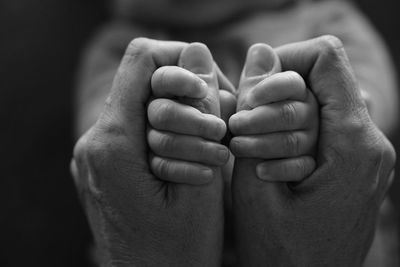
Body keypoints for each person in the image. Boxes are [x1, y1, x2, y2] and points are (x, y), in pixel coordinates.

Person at [71, 0, 398, 265]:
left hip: (332, 236)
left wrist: (318, 126)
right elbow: (104, 146)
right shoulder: (120, 44)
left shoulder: (326, 17)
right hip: (160, 238)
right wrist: (157, 130)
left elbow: (366, 115)